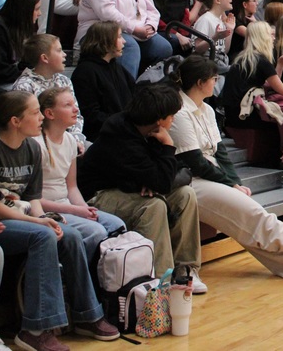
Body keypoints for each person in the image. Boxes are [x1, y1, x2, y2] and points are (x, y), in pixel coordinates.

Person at [168, 56, 283, 280]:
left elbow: (222, 153)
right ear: (199, 82)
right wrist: (230, 184)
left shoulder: (206, 109)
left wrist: (235, 181)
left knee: (248, 229)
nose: (216, 82)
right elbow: (195, 160)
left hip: (211, 176)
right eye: (214, 78)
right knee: (255, 216)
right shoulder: (179, 111)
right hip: (193, 180)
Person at [0, 91, 120, 350]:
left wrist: (44, 219)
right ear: (14, 121)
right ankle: (35, 328)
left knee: (70, 235)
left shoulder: (30, 148)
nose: (40, 116)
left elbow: (32, 199)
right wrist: (38, 224)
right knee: (44, 235)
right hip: (3, 219)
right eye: (34, 112)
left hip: (22, 215)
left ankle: (88, 315)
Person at [78, 83, 207, 293]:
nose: (173, 120)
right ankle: (160, 282)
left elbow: (182, 172)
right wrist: (167, 148)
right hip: (98, 196)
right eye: (172, 115)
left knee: (185, 195)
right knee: (153, 206)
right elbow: (160, 181)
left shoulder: (150, 132)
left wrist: (155, 177)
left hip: (127, 191)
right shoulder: (119, 135)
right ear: (159, 119)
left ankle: (185, 270)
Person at [36, 87, 127, 261]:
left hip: (68, 205)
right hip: (48, 210)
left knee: (117, 225)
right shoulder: (36, 145)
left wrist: (84, 209)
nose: (76, 109)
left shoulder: (70, 140)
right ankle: (74, 272)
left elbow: (71, 187)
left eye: (74, 104)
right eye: (68, 105)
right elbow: (35, 198)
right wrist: (75, 210)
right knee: (96, 231)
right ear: (49, 113)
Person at [71, 20, 135, 141]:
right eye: (120, 37)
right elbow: (91, 115)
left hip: (122, 131)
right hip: (103, 137)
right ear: (106, 41)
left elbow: (135, 94)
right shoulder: (85, 72)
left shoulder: (116, 67)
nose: (124, 41)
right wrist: (125, 123)